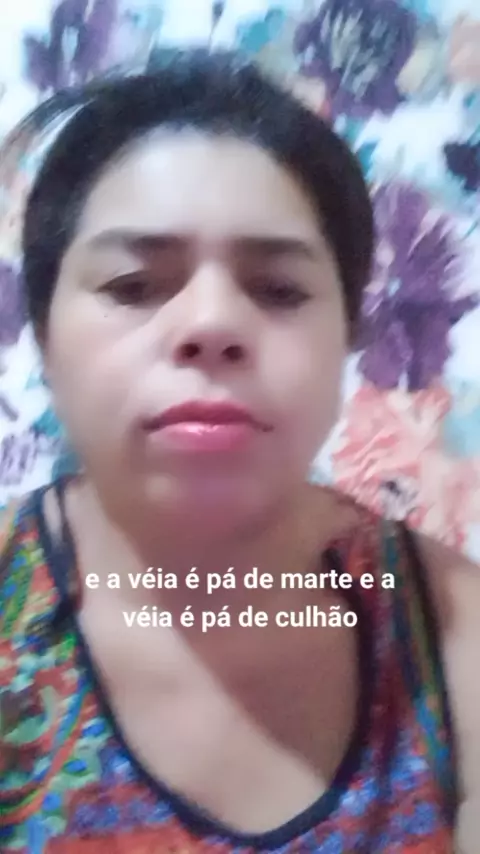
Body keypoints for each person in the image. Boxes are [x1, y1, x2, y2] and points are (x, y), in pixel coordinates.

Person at [0, 50, 478, 854]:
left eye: (280, 289)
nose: (212, 322)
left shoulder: (454, 633)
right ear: (43, 338)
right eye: (133, 285)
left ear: (347, 339)